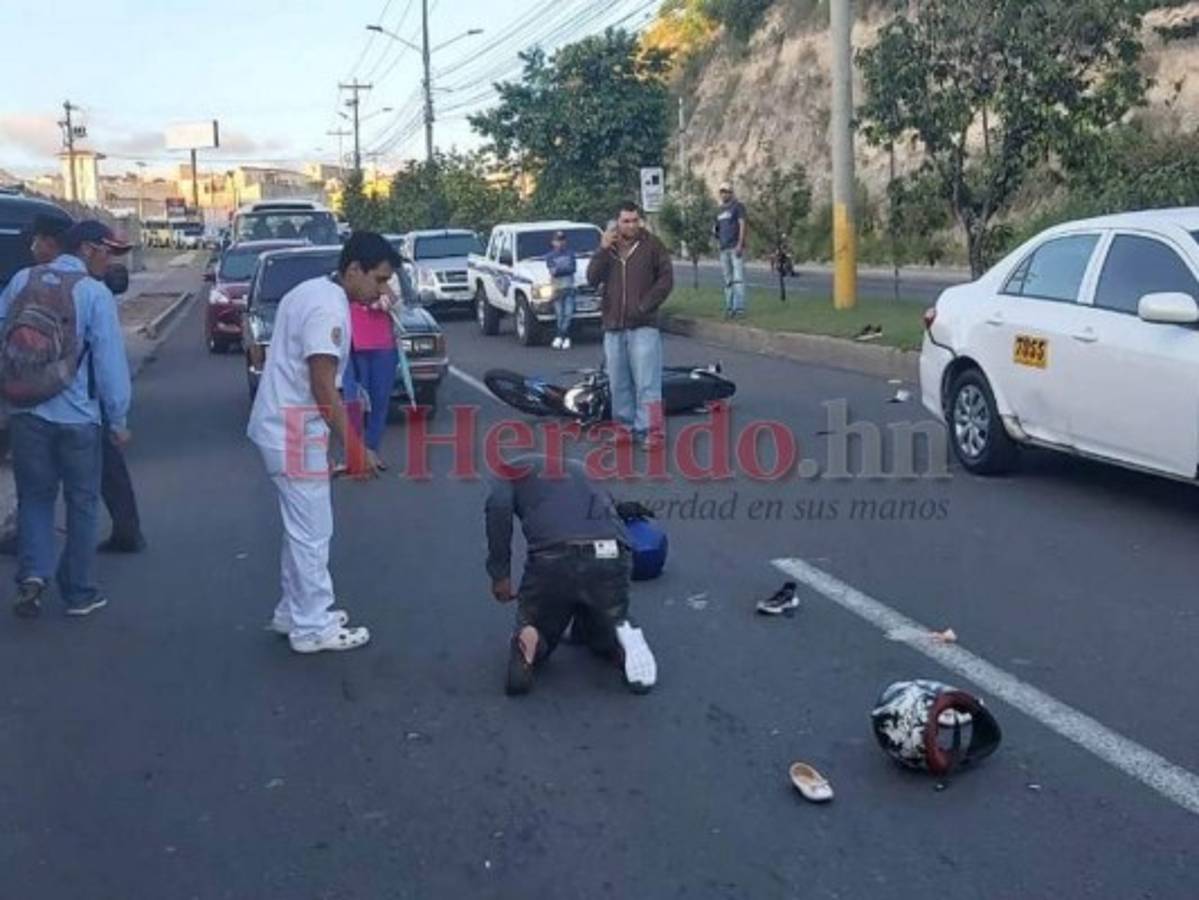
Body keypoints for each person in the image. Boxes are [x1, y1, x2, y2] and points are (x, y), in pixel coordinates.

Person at [247, 231, 400, 654]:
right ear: (354, 270)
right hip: (292, 426)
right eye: (379, 279)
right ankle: (313, 627)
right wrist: (355, 449)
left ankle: (293, 611)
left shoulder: (311, 290)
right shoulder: (328, 309)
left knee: (301, 529)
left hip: (284, 422)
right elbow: (322, 384)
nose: (382, 290)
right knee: (313, 531)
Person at [0, 220, 133, 618]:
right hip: (78, 418)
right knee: (82, 502)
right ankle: (78, 592)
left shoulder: (24, 278)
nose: (110, 260)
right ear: (88, 249)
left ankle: (33, 577)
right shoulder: (94, 294)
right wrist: (118, 418)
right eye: (107, 252)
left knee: (35, 498)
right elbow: (110, 362)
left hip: (26, 412)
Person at [485, 454, 657, 696]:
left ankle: (530, 635)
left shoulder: (505, 474)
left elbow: (498, 511)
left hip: (553, 558)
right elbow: (607, 508)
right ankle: (619, 633)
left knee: (540, 626)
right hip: (611, 552)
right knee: (603, 623)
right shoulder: (582, 470)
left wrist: (499, 573)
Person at [586, 202, 674, 450]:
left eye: (635, 220)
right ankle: (623, 429)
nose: (631, 225)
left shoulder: (652, 245)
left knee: (648, 382)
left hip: (643, 326)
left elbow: (666, 279)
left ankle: (653, 432)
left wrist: (646, 306)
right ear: (617, 223)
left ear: (640, 221)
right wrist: (602, 250)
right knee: (618, 382)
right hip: (614, 326)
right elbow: (592, 279)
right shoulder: (608, 249)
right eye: (626, 221)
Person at [340, 274, 399, 470]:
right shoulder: (347, 279)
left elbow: (396, 302)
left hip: (383, 345)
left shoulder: (385, 278)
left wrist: (384, 297)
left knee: (380, 399)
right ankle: (355, 453)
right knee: (353, 401)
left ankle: (371, 449)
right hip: (353, 346)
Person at [714, 181, 748, 318]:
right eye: (721, 191)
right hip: (723, 248)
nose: (723, 194)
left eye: (726, 191)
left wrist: (740, 243)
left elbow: (742, 225)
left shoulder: (738, 207)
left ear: (731, 193)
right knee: (727, 279)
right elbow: (716, 229)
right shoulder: (719, 210)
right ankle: (729, 307)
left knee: (738, 278)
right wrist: (717, 241)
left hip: (735, 247)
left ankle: (739, 308)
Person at [544, 231, 577, 350]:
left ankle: (562, 336)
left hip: (569, 288)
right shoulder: (549, 256)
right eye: (557, 240)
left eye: (562, 240)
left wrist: (560, 269)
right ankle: (562, 337)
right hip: (557, 289)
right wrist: (562, 269)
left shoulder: (571, 254)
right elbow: (553, 271)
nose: (560, 243)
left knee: (568, 314)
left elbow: (572, 269)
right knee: (560, 315)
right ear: (553, 242)